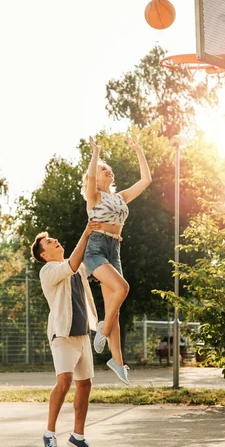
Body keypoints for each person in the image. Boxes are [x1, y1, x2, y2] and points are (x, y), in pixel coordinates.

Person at [81, 136, 152, 385]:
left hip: (114, 249)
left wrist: (139, 151)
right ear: (96, 178)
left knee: (116, 309)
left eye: (107, 168)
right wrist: (96, 154)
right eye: (103, 169)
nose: (106, 170)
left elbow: (146, 180)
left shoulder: (120, 197)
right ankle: (102, 328)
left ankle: (118, 362)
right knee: (123, 288)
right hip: (96, 249)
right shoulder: (94, 196)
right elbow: (90, 178)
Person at [31, 220, 102, 447]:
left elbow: (85, 266)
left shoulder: (78, 268)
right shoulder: (48, 271)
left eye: (53, 238)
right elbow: (72, 263)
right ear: (44, 253)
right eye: (49, 242)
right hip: (62, 334)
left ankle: (78, 437)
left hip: (82, 333)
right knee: (65, 381)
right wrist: (87, 229)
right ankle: (50, 433)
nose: (54, 241)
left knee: (85, 384)